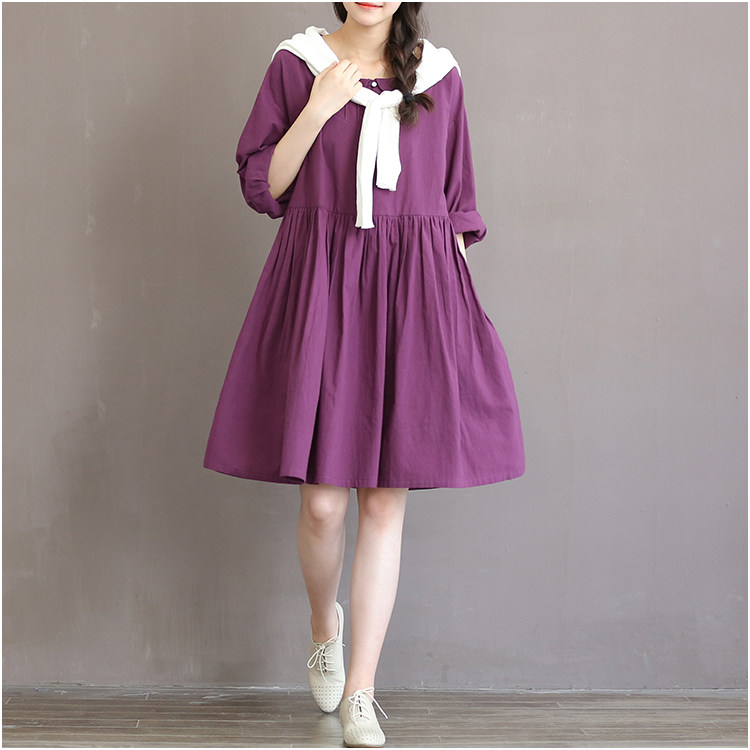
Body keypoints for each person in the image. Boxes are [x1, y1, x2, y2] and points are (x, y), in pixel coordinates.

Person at [203, 2, 525, 746]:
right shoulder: (299, 65)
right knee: (322, 505)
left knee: (384, 502)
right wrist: (319, 108)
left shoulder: (439, 76)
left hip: (413, 297)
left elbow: (457, 207)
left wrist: (453, 321)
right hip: (322, 286)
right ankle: (326, 627)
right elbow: (265, 185)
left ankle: (361, 691)